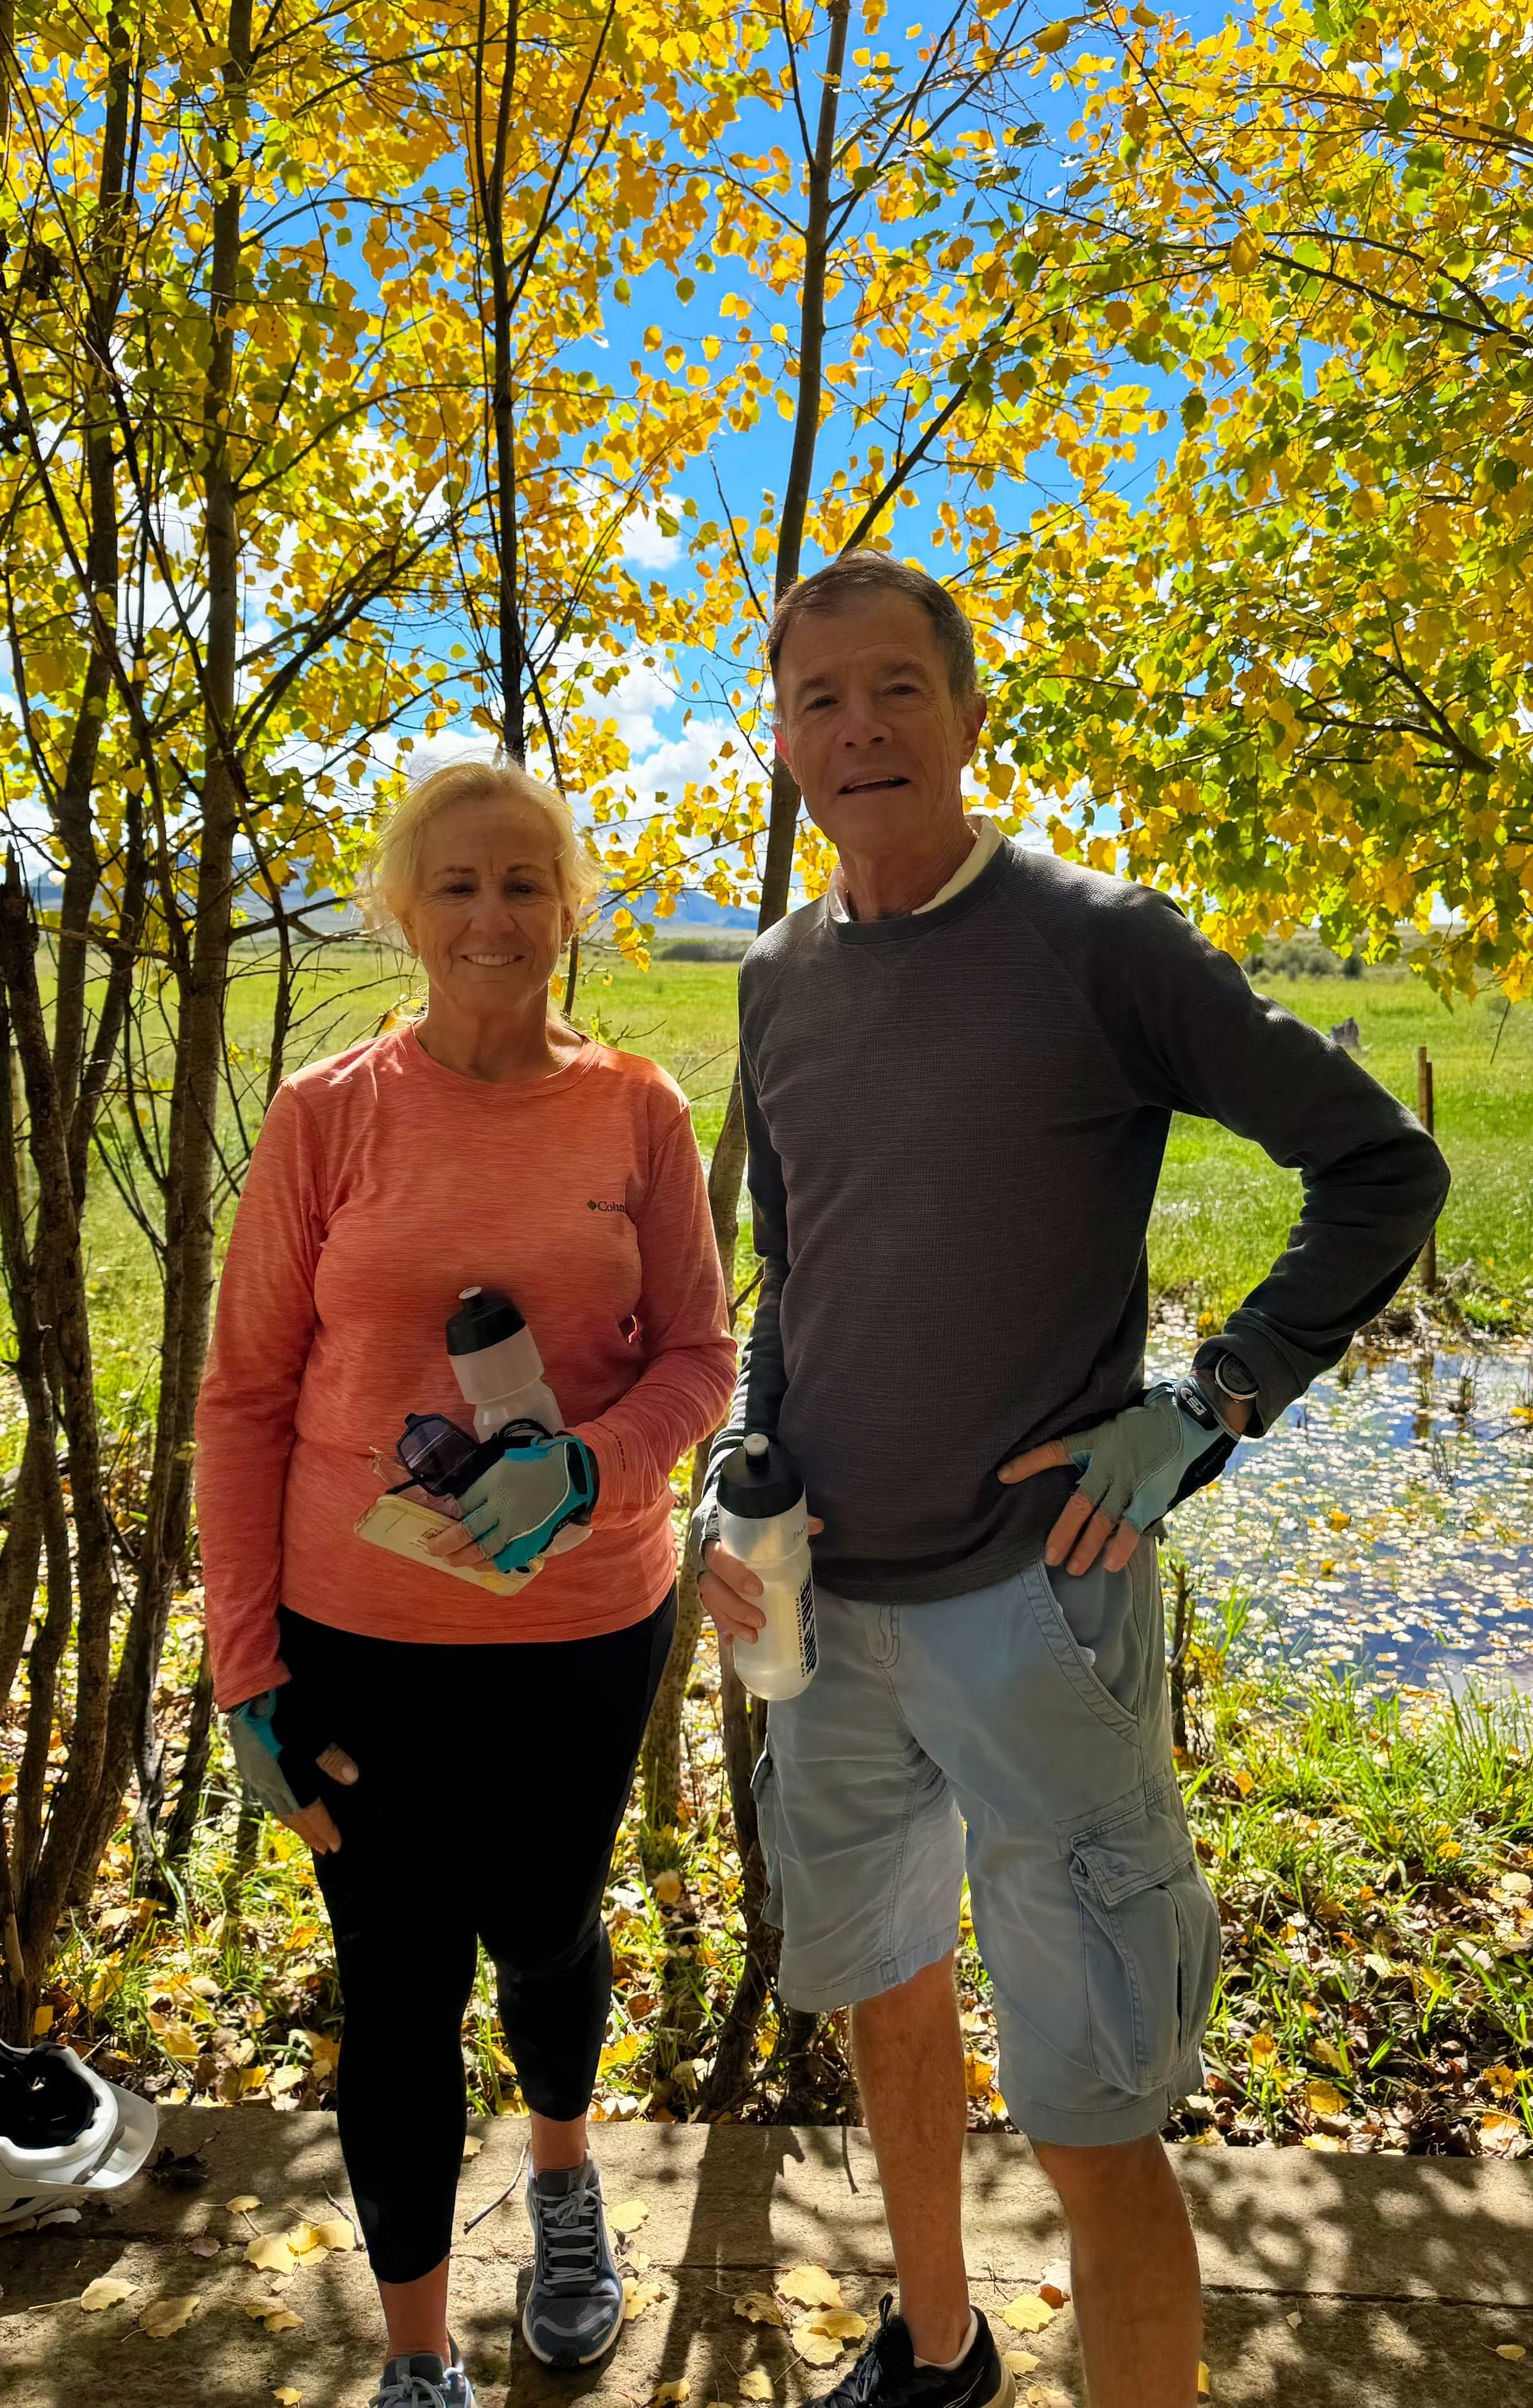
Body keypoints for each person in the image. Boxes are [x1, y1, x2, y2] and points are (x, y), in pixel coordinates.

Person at [699, 549, 1448, 2408]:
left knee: (1095, 2098)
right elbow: (801, 1267)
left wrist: (1213, 1398)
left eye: (894, 687)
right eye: (818, 699)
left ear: (968, 712)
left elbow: (1385, 1170)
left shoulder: (1096, 939)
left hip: (1044, 1605)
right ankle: (940, 2347)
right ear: (782, 739)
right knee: (888, 2004)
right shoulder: (780, 976)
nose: (856, 726)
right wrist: (744, 1458)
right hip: (833, 1621)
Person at [196, 757, 735, 2408]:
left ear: (572, 908)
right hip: (360, 1645)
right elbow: (242, 1398)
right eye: (457, 885)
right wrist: (243, 1672)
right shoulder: (326, 1114)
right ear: (401, 909)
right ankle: (418, 2355)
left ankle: (567, 2186)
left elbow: (704, 1359)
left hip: (582, 1631)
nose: (492, 916)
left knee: (550, 1929)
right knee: (400, 1975)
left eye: (524, 884)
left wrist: (589, 1462)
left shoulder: (638, 1111)